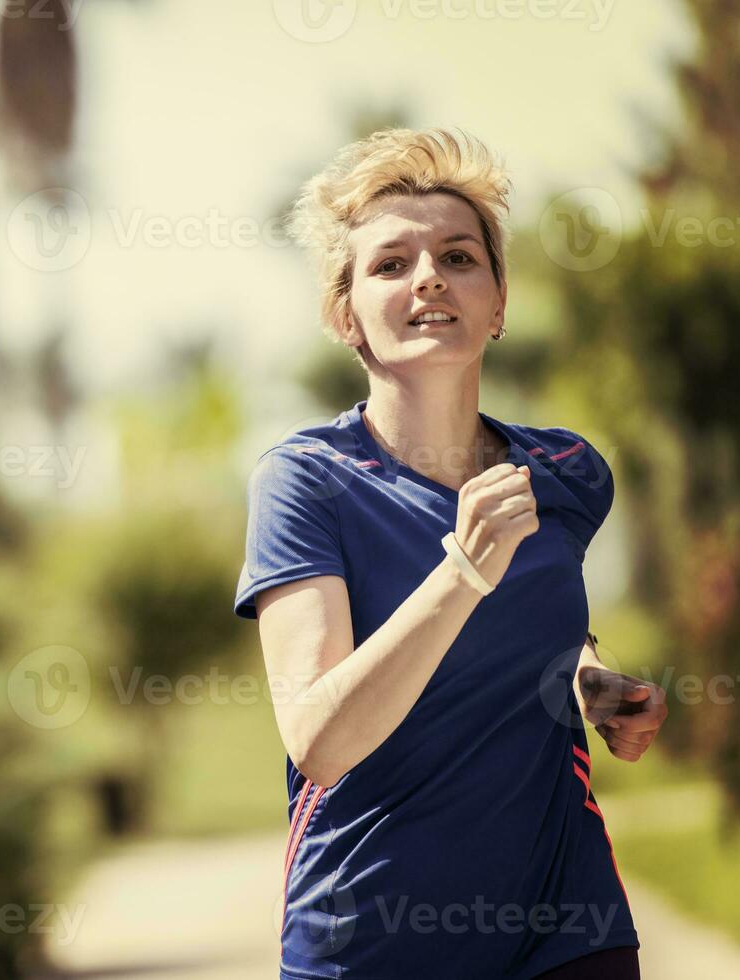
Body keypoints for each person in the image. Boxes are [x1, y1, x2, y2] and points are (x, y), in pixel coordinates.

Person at [233, 127, 669, 979]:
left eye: (459, 257)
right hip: (371, 938)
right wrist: (461, 571)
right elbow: (319, 739)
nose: (428, 276)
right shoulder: (304, 483)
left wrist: (589, 682)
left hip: (569, 928)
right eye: (389, 264)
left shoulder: (567, 473)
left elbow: (538, 625)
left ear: (499, 303)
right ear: (342, 313)